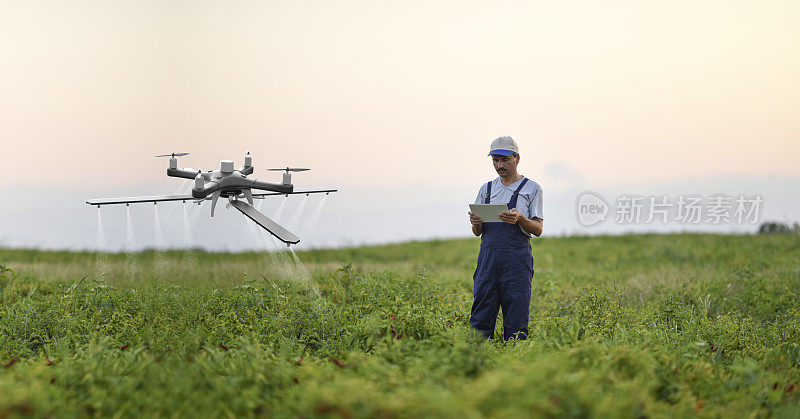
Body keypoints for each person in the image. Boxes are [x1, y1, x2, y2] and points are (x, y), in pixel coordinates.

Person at [468, 136, 543, 340]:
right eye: (495, 161)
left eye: (504, 160)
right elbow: (478, 232)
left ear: (517, 158)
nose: (499, 165)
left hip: (517, 263)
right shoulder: (487, 189)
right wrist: (476, 223)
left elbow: (538, 229)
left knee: (516, 323)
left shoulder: (532, 188)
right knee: (480, 321)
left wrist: (520, 218)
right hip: (488, 262)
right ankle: (478, 364)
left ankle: (515, 365)